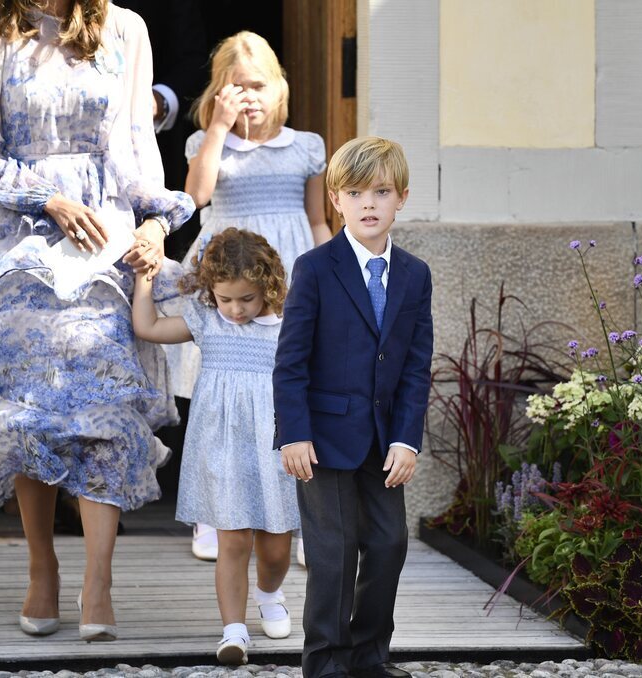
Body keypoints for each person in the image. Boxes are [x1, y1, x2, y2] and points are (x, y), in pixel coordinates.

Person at [0, 0, 194, 641]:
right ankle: (42, 568)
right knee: (26, 407)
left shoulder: (126, 27)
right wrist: (46, 198)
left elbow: (135, 143)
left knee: (103, 408)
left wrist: (153, 217)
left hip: (103, 236)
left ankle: (98, 579)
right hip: (18, 238)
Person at [273, 137, 434, 678]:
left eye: (381, 192)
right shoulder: (315, 268)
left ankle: (369, 657)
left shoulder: (414, 275)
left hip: (385, 440)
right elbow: (291, 361)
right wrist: (292, 432)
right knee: (333, 553)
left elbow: (414, 365)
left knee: (389, 544)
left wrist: (407, 438)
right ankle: (325, 663)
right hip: (321, 438)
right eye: (356, 192)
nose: (369, 203)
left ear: (401, 198)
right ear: (336, 200)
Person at [172, 29, 330, 561]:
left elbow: (316, 219)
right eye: (237, 87)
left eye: (259, 85)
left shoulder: (305, 146)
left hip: (283, 275)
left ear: (279, 87)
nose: (250, 97)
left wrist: (332, 275)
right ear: (220, 91)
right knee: (218, 384)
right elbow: (196, 197)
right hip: (226, 272)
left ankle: (294, 519)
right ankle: (214, 513)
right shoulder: (206, 144)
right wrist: (218, 127)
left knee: (289, 386)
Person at [132, 227, 298, 665]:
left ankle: (269, 591)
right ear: (212, 291)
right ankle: (234, 631)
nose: (236, 309)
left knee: (277, 545)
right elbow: (146, 327)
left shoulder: (286, 324)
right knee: (233, 541)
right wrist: (144, 279)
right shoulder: (205, 318)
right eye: (226, 299)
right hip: (221, 444)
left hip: (273, 442)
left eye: (246, 299)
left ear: (267, 287)